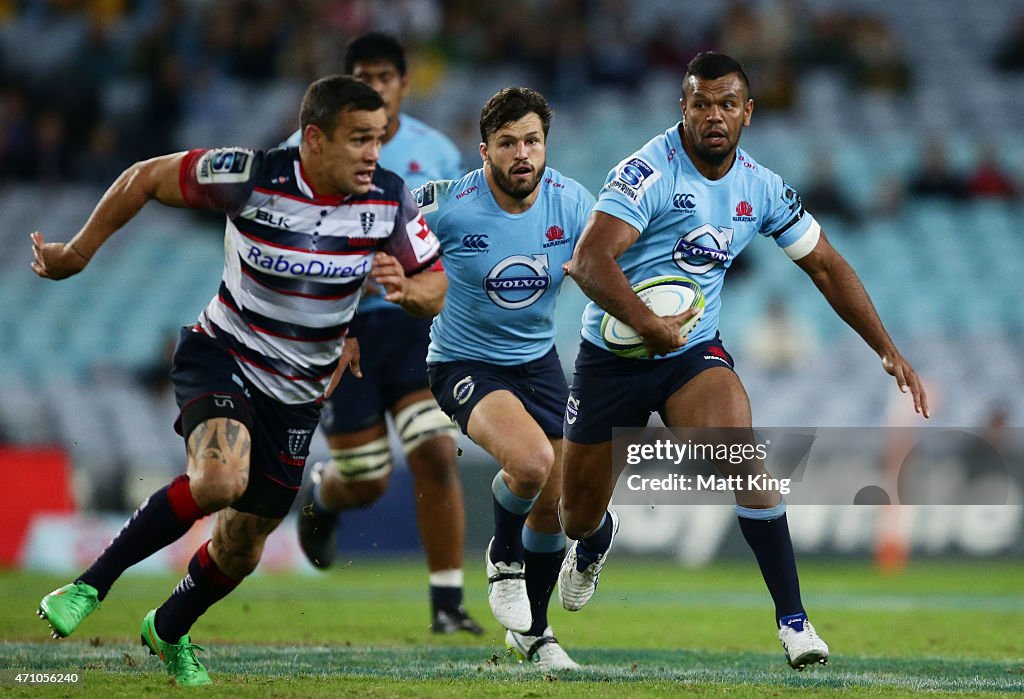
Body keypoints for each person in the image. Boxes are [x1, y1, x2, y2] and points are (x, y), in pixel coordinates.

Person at [32, 75, 444, 686]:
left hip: (301, 393)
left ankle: (168, 629)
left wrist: (408, 291)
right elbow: (145, 175)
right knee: (220, 478)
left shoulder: (389, 199)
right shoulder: (250, 176)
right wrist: (81, 252)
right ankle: (87, 587)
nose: (372, 154)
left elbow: (434, 286)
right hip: (225, 353)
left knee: (242, 543)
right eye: (359, 139)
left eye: (378, 139)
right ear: (314, 139)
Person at [556, 52, 930, 670]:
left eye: (727, 104)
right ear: (684, 108)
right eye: (701, 103)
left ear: (748, 113)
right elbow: (590, 261)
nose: (714, 115)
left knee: (744, 459)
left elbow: (827, 265)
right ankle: (596, 541)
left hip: (691, 356)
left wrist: (888, 350)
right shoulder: (646, 172)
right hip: (614, 356)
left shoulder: (760, 186)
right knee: (576, 517)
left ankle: (795, 623)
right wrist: (650, 327)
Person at [285, 33, 482, 636]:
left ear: (403, 83)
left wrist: (425, 282)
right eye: (362, 75)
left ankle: (447, 604)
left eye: (385, 76)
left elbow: (454, 236)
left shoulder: (436, 153)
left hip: (417, 324)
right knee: (366, 480)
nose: (375, 86)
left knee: (433, 448)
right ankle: (325, 493)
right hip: (340, 327)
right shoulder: (300, 150)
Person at [422, 87, 595, 670]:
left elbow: (614, 263)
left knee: (556, 503)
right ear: (485, 151)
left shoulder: (573, 204)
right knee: (529, 464)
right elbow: (377, 246)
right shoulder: (447, 206)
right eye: (507, 143)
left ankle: (534, 635)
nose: (522, 154)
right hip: (463, 361)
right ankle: (502, 557)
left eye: (532, 141)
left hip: (538, 360)